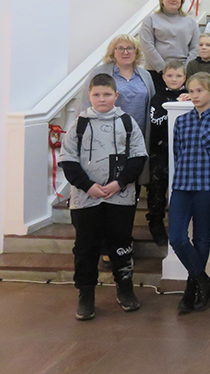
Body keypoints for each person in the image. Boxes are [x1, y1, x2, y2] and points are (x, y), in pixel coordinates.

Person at [58, 73, 148, 321]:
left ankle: (125, 288)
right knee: (86, 248)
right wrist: (88, 186)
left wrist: (118, 183)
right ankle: (86, 293)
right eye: (96, 94)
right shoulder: (79, 124)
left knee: (121, 244)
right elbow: (68, 161)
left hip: (120, 198)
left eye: (107, 94)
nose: (102, 99)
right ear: (89, 96)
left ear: (116, 96)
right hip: (86, 199)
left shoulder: (128, 123)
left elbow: (138, 158)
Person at [169, 72, 210, 314]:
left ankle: (191, 289)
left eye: (200, 91)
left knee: (202, 237)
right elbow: (177, 153)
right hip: (182, 185)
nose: (195, 95)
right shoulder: (181, 122)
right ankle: (203, 281)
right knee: (177, 237)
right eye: (191, 91)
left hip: (207, 187)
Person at [81, 34, 155, 156]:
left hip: (138, 136)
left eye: (130, 48)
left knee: (136, 166)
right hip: (107, 134)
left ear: (136, 52)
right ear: (113, 52)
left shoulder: (145, 76)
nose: (125, 52)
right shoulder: (100, 72)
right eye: (120, 48)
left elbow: (153, 105)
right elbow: (86, 103)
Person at [146, 61, 189, 245]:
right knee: (157, 187)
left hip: (185, 152)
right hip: (161, 149)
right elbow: (155, 121)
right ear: (163, 77)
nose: (174, 79)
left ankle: (182, 227)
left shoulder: (191, 95)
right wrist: (174, 106)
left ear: (185, 77)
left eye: (178, 76)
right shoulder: (158, 97)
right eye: (170, 75)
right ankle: (156, 223)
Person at [140, 0, 199, 89]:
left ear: (181, 1)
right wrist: (164, 70)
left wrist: (184, 70)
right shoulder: (150, 20)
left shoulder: (191, 22)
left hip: (183, 74)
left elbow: (195, 48)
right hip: (156, 72)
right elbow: (147, 46)